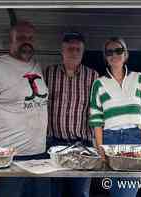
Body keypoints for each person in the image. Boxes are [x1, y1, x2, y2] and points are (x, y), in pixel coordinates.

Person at [0, 20, 50, 197]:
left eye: (30, 38)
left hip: (40, 159)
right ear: (11, 41)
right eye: (21, 37)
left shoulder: (37, 66)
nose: (26, 42)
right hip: (6, 160)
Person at [89, 37, 141, 197]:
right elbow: (96, 119)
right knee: (115, 191)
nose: (114, 54)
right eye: (109, 52)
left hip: (135, 138)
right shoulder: (99, 84)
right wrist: (101, 151)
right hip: (109, 140)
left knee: (128, 191)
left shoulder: (140, 79)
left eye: (119, 50)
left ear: (125, 54)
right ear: (105, 58)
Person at [44, 32, 98, 197]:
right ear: (62, 51)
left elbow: (95, 112)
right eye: (70, 49)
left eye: (78, 49)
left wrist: (96, 144)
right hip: (53, 144)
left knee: (80, 192)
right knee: (54, 191)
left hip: (82, 145)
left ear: (82, 52)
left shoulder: (92, 76)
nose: (74, 52)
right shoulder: (48, 73)